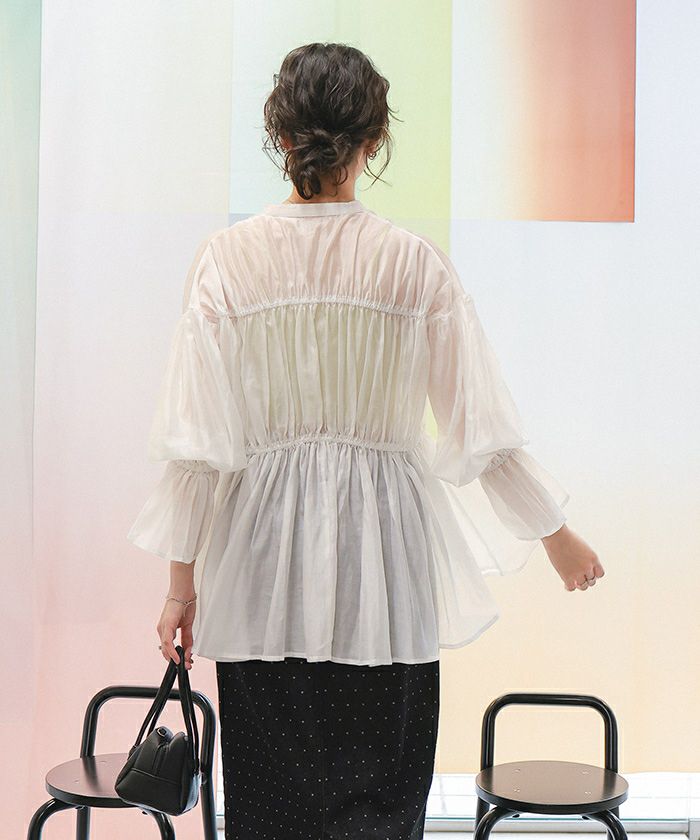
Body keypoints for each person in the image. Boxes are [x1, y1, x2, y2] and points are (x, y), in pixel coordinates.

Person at [127, 42, 603, 840]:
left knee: (272, 812)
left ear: (282, 136)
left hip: (261, 571)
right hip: (386, 570)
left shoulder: (226, 263)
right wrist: (555, 535)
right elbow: (479, 427)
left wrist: (181, 587)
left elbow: (196, 444)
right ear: (373, 141)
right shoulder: (412, 265)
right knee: (382, 808)